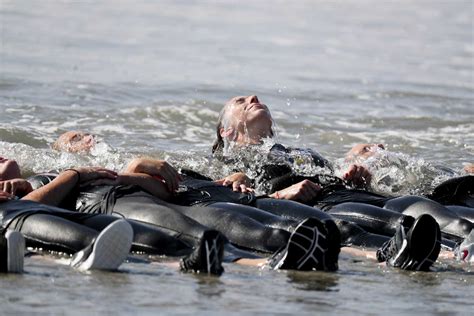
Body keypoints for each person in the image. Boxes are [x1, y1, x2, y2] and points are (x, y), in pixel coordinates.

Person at [211, 95, 472, 245]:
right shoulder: (232, 163)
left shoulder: (298, 153)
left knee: (459, 220)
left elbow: (334, 174)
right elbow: (239, 200)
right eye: (241, 101)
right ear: (227, 131)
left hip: (371, 198)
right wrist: (280, 194)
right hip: (329, 207)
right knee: (413, 229)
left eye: (253, 98)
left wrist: (358, 172)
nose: (254, 98)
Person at [0, 157, 225, 275]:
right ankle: (68, 260)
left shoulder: (32, 179)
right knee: (94, 242)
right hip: (17, 214)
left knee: (119, 236)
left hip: (38, 209)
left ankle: (182, 265)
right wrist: (74, 174)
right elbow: (29, 205)